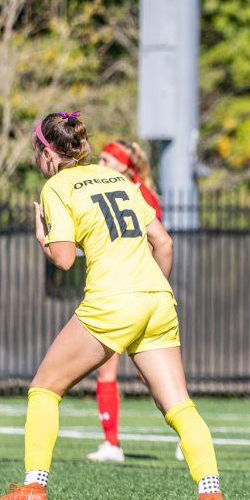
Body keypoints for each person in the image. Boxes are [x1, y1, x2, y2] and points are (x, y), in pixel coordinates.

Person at [0, 111, 228, 500]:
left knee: (44, 389)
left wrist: (42, 236)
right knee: (180, 406)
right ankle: (211, 497)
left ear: (47, 152)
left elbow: (62, 259)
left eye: (34, 150)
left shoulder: (56, 187)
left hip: (113, 300)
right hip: (157, 298)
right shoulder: (120, 180)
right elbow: (163, 242)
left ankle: (33, 487)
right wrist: (148, 293)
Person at [85, 140, 171, 464]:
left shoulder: (138, 194)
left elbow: (159, 243)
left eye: (108, 160)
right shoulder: (110, 190)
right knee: (106, 369)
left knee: (154, 377)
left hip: (133, 293)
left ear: (124, 165)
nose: (102, 164)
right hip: (116, 292)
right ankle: (111, 443)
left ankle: (182, 434)